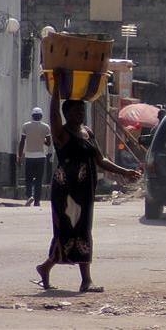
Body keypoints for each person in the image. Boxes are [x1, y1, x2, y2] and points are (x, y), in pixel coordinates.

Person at [34, 75, 141, 293]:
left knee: (83, 229)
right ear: (67, 113)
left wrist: (125, 171)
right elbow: (53, 113)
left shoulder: (88, 132)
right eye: (75, 111)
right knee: (67, 229)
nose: (80, 114)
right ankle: (84, 280)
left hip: (85, 190)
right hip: (66, 191)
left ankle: (48, 268)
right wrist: (55, 88)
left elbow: (100, 160)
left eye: (82, 110)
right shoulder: (61, 133)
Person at [18, 107, 52, 207]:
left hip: (29, 156)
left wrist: (20, 156)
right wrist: (42, 140)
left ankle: (29, 196)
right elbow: (49, 143)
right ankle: (37, 201)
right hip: (41, 157)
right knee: (38, 179)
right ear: (41, 116)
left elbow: (22, 141)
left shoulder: (26, 126)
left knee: (28, 178)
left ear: (32, 116)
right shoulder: (46, 127)